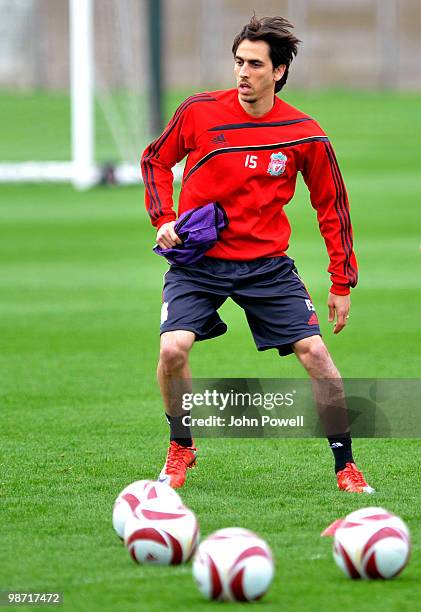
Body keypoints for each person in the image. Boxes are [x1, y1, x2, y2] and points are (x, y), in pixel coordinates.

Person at [141, 15, 374, 493]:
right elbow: (155, 159)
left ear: (280, 71)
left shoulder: (304, 133)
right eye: (238, 62)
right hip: (198, 263)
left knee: (318, 358)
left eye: (254, 64)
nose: (242, 73)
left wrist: (341, 282)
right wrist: (163, 217)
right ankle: (181, 446)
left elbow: (332, 205)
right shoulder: (199, 112)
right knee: (172, 348)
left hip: (266, 268)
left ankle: (346, 466)